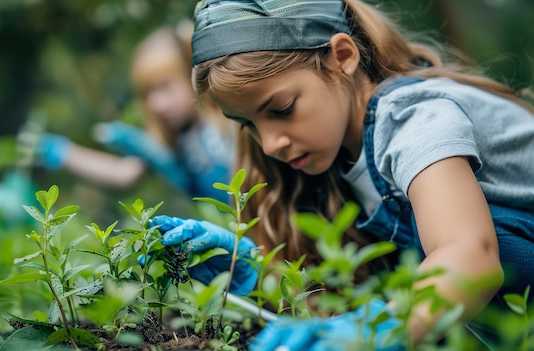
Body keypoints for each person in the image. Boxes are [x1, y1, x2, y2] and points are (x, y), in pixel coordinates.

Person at [148, 0, 534, 349]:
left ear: (342, 57)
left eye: (281, 109)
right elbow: (352, 295)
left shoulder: (413, 119)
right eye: (247, 123)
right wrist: (262, 278)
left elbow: (471, 256)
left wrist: (375, 328)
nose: (269, 145)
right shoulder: (332, 157)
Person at [30, 20, 235, 203]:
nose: (156, 104)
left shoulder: (232, 118)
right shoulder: (170, 143)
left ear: (193, 75)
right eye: (148, 93)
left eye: (165, 87)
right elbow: (122, 174)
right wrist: (65, 153)